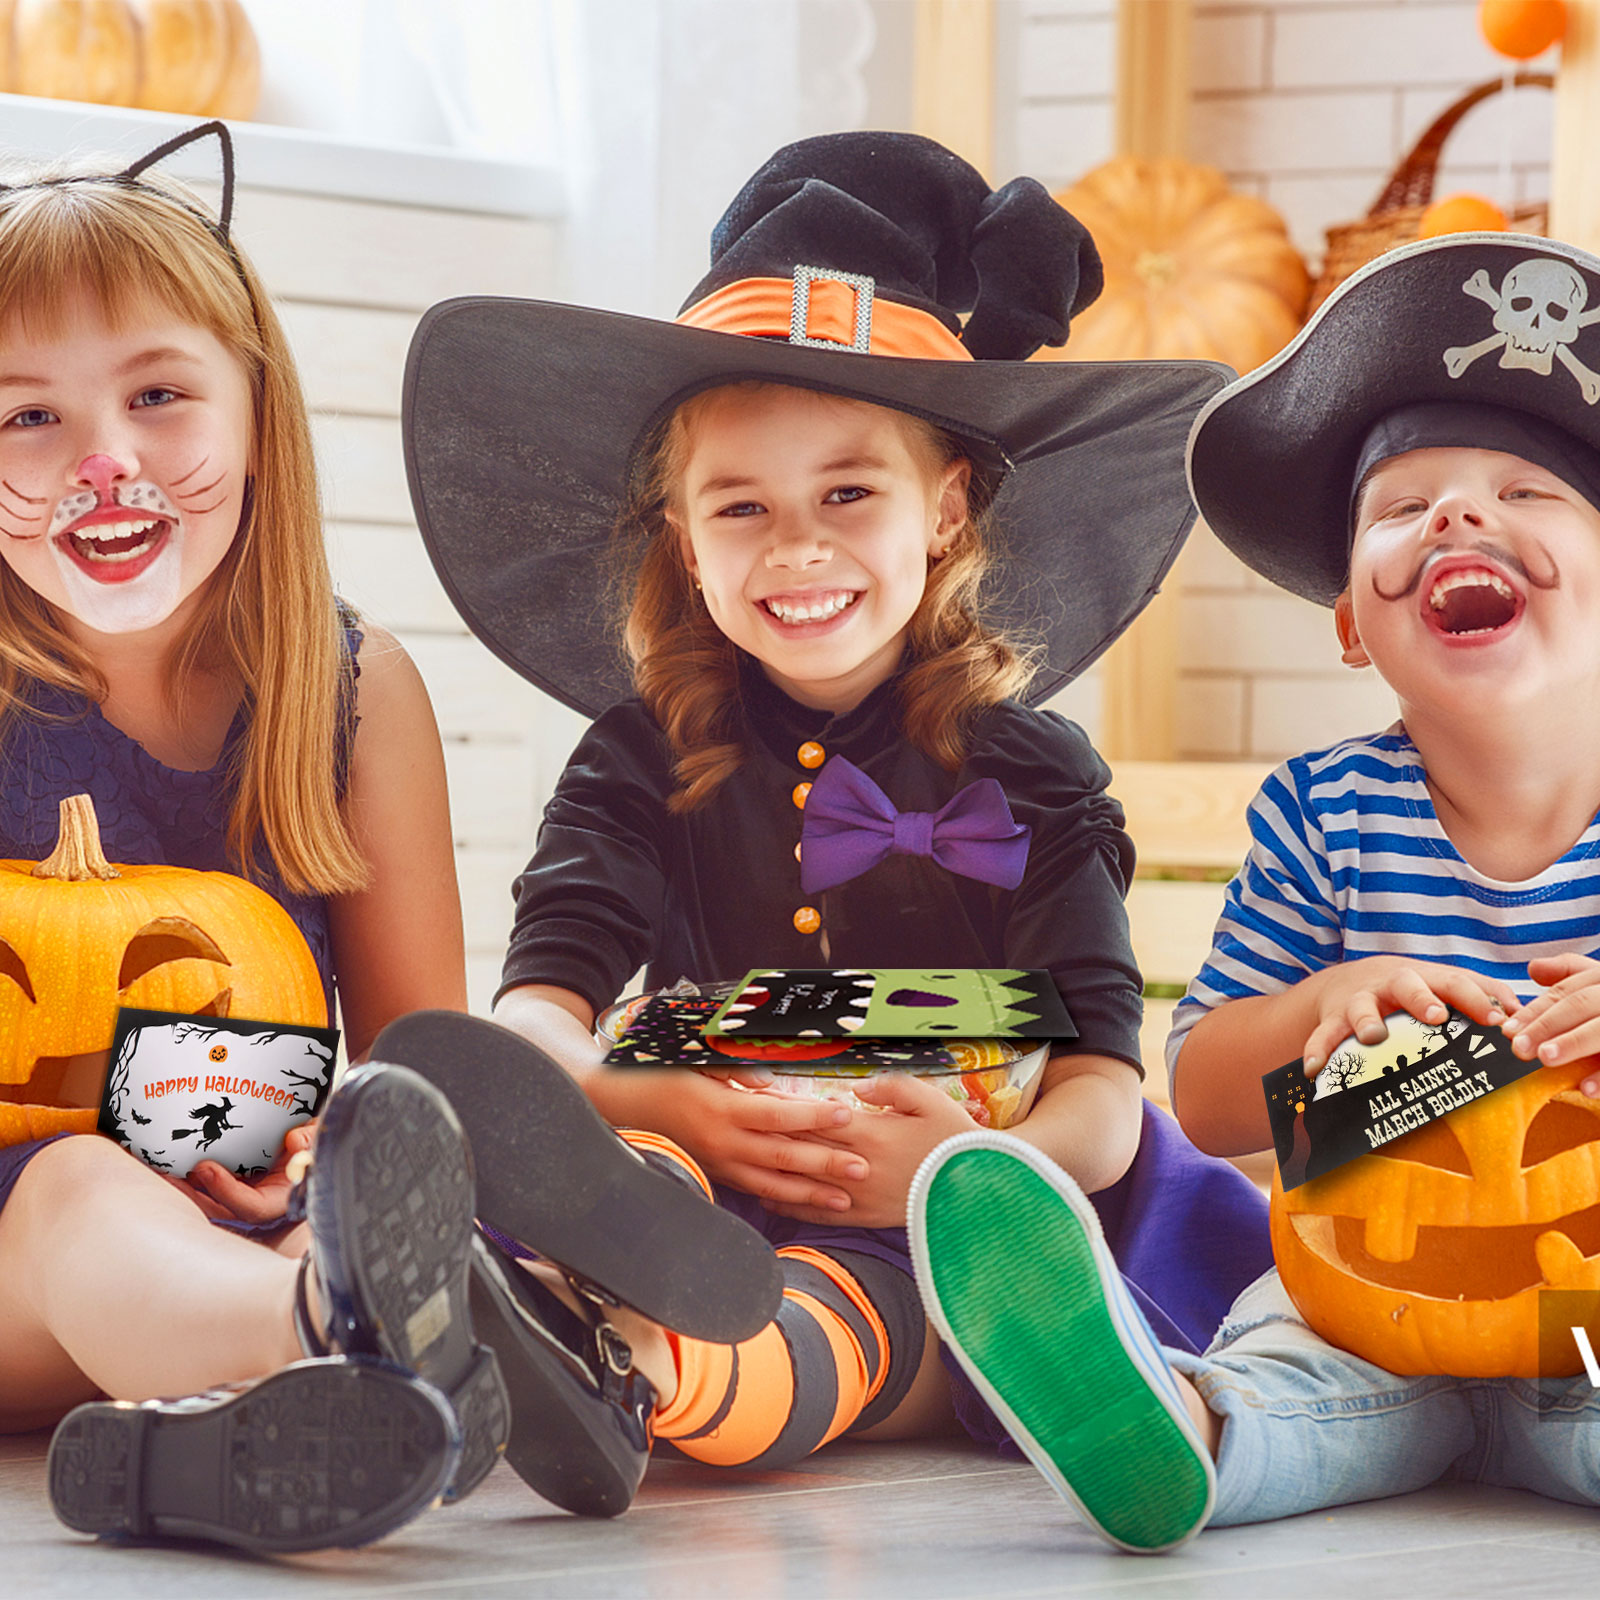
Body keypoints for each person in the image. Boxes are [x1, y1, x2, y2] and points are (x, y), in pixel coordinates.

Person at [397, 132, 1273, 1511]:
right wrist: (648, 1095)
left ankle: (665, 1374)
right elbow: (539, 1021)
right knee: (617, 1179)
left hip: (950, 1190)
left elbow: (1105, 1104)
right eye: (741, 506)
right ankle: (549, 1313)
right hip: (691, 1153)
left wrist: (965, 1176)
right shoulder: (638, 759)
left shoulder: (1036, 777)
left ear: (947, 509)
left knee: (862, 1298)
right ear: (684, 540)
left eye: (848, 493)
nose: (796, 546)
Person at [909, 231, 1600, 1553]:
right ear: (1350, 621)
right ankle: (1166, 1426)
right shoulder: (1324, 815)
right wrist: (1316, 1009)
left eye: (1525, 490)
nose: (1457, 518)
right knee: (1277, 1372)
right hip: (1363, 1296)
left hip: (1591, 1300)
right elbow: (1212, 1096)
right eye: (1402, 506)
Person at [0, 124, 506, 1551]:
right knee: (79, 1187)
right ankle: (347, 1337)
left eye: (158, 395)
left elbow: (413, 1070)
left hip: (246, 1225)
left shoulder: (350, 694)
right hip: (23, 1255)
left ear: (260, 412)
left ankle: (204, 1449)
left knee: (449, 1203)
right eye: (26, 417)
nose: (104, 463)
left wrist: (323, 1161)